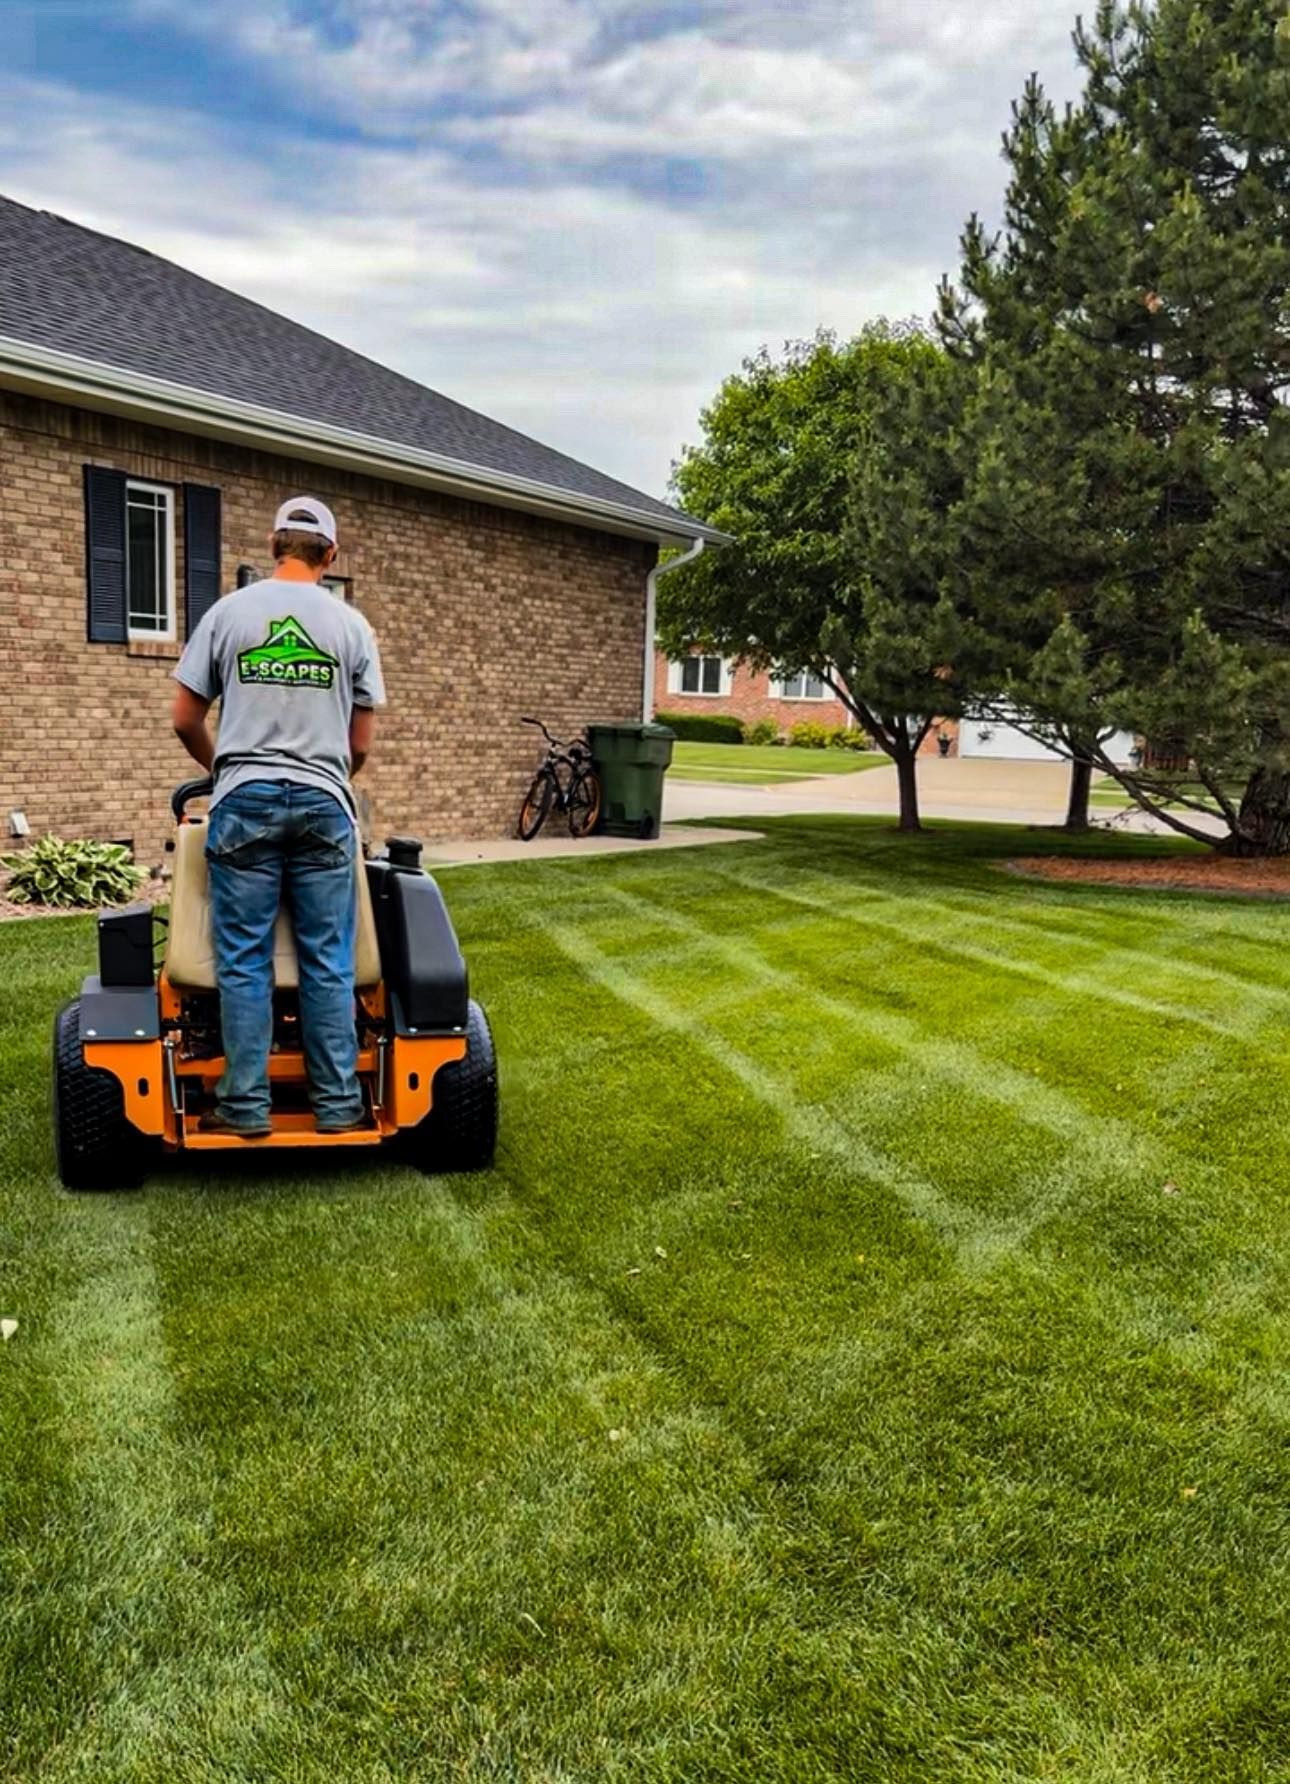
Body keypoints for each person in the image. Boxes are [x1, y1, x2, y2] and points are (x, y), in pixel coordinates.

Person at [171, 496, 385, 1137]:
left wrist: (225, 773)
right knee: (327, 958)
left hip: (243, 802)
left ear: (273, 545)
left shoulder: (228, 614)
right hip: (325, 802)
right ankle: (340, 1105)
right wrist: (324, 783)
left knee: (242, 959)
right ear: (332, 555)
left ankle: (244, 1106)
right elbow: (362, 745)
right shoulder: (352, 628)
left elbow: (185, 718)